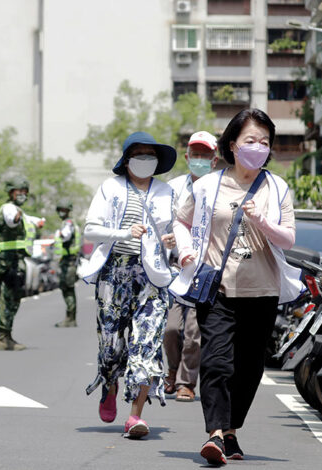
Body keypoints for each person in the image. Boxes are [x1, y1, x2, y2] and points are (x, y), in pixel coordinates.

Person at [170, 109, 302, 465]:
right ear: (232, 145)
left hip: (262, 292)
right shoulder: (207, 185)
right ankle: (214, 433)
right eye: (250, 140)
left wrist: (262, 221)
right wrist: (184, 253)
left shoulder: (277, 188)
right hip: (218, 289)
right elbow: (181, 222)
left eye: (264, 141)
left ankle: (230, 430)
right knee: (217, 363)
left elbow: (288, 239)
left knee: (249, 368)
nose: (258, 147)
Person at [82, 131, 178, 439]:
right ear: (126, 160)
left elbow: (176, 231)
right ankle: (109, 385)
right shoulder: (110, 188)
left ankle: (135, 416)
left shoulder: (166, 192)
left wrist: (172, 240)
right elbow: (91, 231)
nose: (145, 159)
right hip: (115, 274)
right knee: (111, 346)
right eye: (139, 154)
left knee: (146, 345)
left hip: (152, 278)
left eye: (151, 155)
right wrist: (123, 233)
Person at [163, 131, 219, 403]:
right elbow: (161, 225)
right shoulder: (172, 188)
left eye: (204, 155)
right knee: (171, 329)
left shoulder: (221, 188)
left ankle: (187, 382)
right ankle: (171, 371)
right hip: (175, 268)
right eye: (195, 154)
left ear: (215, 159)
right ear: (186, 157)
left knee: (194, 332)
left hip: (204, 269)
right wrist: (168, 239)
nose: (199, 159)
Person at [0, 176, 44, 351]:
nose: (22, 195)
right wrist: (15, 219)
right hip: (8, 262)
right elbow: (11, 219)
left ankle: (7, 336)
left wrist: (37, 221)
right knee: (8, 299)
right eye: (19, 192)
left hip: (15, 261)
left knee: (13, 299)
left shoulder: (18, 210)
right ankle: (4, 338)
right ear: (11, 193)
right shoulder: (9, 209)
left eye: (24, 192)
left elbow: (28, 219)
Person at [53, 198, 81, 327]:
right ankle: (70, 318)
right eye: (60, 210)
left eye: (64, 210)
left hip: (69, 262)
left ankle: (70, 318)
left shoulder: (68, 223)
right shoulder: (68, 222)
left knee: (67, 288)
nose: (62, 212)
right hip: (68, 260)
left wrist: (59, 234)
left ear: (68, 211)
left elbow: (66, 236)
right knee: (67, 289)